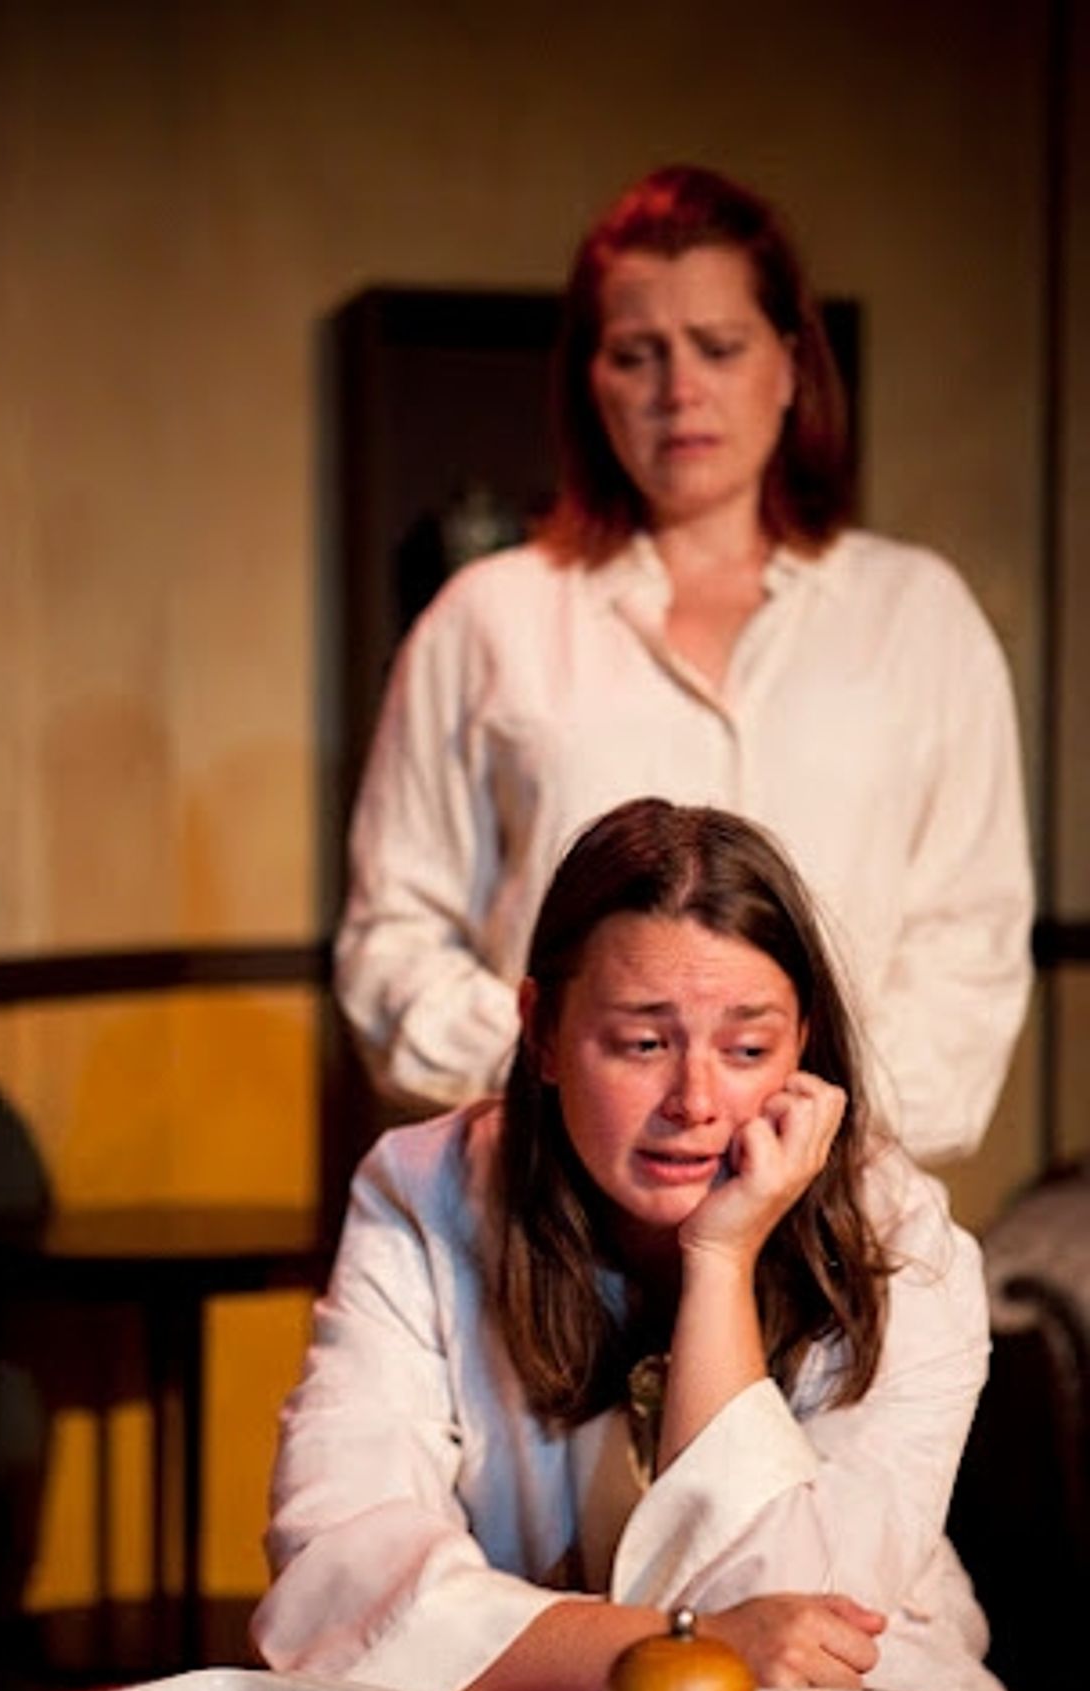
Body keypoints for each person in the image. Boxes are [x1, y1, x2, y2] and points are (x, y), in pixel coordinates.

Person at [334, 163, 1033, 1166]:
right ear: (590, 378)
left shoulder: (917, 617)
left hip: (841, 1205)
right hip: (548, 1217)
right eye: (637, 354)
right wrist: (592, 1084)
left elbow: (971, 941)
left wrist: (801, 1125)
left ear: (789, 363)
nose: (681, 391)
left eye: (719, 346)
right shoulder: (487, 619)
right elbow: (393, 942)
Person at [253, 799, 1013, 1691]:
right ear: (540, 1032)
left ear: (802, 1043)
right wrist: (680, 1647)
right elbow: (337, 1575)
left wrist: (721, 1260)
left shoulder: (900, 1241)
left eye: (747, 1048)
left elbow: (802, 1644)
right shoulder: (425, 1193)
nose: (694, 1100)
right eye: (643, 1043)